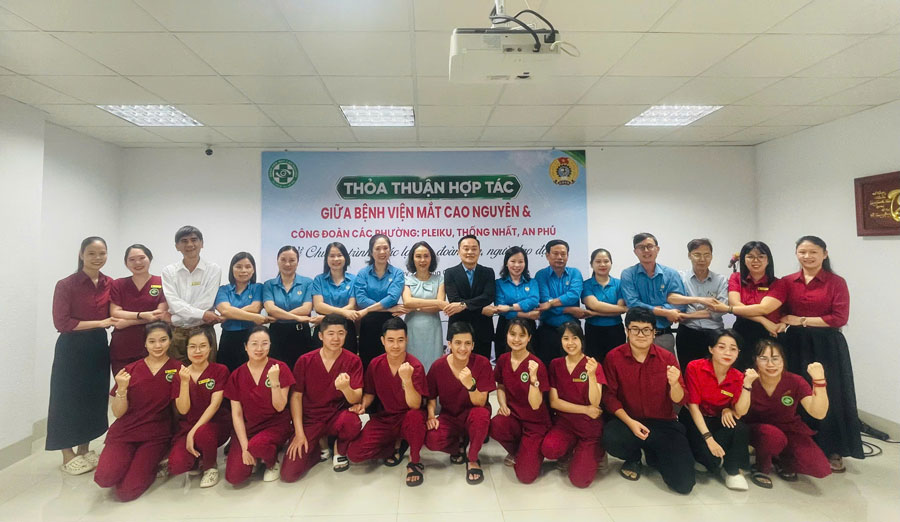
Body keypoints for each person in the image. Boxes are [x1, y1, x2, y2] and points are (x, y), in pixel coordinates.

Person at [778, 235, 863, 472]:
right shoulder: (787, 281)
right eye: (802, 252)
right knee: (794, 393)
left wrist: (802, 320)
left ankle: (832, 448)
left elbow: (839, 318)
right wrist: (783, 321)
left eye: (813, 252)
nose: (807, 256)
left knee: (829, 394)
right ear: (796, 254)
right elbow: (780, 311)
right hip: (794, 344)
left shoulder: (836, 282)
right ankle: (795, 446)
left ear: (824, 254)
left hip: (827, 346)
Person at [602, 307, 695, 494]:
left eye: (646, 330)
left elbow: (681, 398)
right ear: (627, 331)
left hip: (663, 423)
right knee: (611, 436)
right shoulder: (614, 357)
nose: (640, 334)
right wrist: (631, 422)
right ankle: (634, 456)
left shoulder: (667, 357)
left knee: (684, 484)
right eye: (635, 329)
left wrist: (675, 383)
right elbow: (609, 397)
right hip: (629, 422)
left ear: (654, 332)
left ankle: (653, 453)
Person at [47, 236, 117, 475]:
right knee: (66, 399)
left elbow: (117, 313)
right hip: (72, 347)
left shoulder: (110, 283)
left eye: (102, 253)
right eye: (92, 253)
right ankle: (67, 454)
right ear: (81, 254)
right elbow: (62, 322)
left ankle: (85, 449)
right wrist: (102, 322)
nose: (97, 258)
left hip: (98, 345)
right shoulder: (66, 284)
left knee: (94, 398)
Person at [94, 322, 181, 501]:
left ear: (170, 341)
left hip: (155, 435)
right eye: (152, 341)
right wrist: (122, 389)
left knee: (127, 492)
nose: (158, 346)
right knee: (104, 478)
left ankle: (154, 461)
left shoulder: (177, 369)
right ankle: (129, 461)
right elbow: (118, 413)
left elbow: (182, 409)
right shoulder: (129, 371)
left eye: (163, 340)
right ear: (145, 344)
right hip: (126, 432)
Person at [346, 317, 428, 487]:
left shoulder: (415, 366)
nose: (396, 345)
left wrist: (407, 380)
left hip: (408, 417)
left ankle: (414, 462)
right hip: (385, 418)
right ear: (383, 341)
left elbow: (415, 405)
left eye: (400, 340)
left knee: (415, 417)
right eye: (390, 340)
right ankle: (395, 444)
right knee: (354, 453)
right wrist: (363, 405)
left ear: (407, 340)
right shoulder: (375, 364)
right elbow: (370, 393)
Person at [281, 314, 363, 482]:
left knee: (352, 422)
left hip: (336, 416)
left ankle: (339, 449)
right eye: (330, 333)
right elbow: (296, 397)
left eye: (341, 333)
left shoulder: (353, 360)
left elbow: (356, 397)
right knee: (289, 474)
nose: (336, 338)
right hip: (311, 419)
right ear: (320, 336)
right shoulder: (305, 361)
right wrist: (299, 432)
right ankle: (319, 448)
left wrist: (346, 388)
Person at [744, 339, 830, 487]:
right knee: (772, 436)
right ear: (755, 360)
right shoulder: (748, 379)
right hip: (757, 428)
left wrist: (819, 381)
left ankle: (781, 460)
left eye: (775, 358)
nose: (770, 364)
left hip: (789, 428)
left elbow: (818, 413)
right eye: (763, 359)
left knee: (819, 467)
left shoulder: (795, 381)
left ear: (783, 359)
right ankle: (761, 467)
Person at [683, 329, 756, 491]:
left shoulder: (738, 376)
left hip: (718, 419)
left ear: (738, 352)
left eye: (733, 349)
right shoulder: (695, 367)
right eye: (721, 347)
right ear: (711, 349)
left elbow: (741, 412)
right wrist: (709, 439)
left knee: (740, 428)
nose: (727, 353)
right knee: (708, 459)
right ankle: (712, 460)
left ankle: (733, 470)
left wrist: (747, 385)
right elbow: (693, 405)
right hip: (695, 418)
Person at [425, 321, 495, 485]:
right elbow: (430, 397)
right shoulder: (438, 366)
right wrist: (430, 416)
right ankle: (459, 445)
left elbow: (481, 402)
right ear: (449, 344)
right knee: (431, 439)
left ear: (473, 345)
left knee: (481, 415)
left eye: (467, 343)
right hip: (450, 416)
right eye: (458, 343)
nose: (463, 348)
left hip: (474, 414)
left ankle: (472, 458)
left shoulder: (482, 363)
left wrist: (470, 385)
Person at [224, 326, 295, 485]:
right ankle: (256, 452)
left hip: (275, 426)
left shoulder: (280, 368)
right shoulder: (236, 375)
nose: (259, 348)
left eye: (264, 343)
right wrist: (244, 447)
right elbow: (237, 414)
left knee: (258, 446)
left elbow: (279, 407)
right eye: (254, 343)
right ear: (245, 346)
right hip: (249, 429)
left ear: (270, 345)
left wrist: (275, 381)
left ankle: (271, 462)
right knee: (235, 477)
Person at [540, 322, 605, 488]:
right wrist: (585, 409)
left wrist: (591, 375)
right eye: (565, 338)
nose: (570, 343)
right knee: (549, 449)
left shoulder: (593, 365)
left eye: (574, 338)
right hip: (565, 423)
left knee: (580, 480)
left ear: (582, 340)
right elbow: (554, 402)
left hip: (588, 426)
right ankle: (571, 449)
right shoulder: (555, 364)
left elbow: (595, 403)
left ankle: (596, 451)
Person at [167, 327, 231, 488]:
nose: (197, 351)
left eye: (202, 346)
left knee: (203, 434)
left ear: (210, 348)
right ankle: (198, 458)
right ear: (186, 349)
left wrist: (193, 432)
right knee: (177, 465)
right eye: (192, 346)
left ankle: (210, 467)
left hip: (215, 425)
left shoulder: (220, 370)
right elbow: (183, 410)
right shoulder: (180, 374)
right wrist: (184, 382)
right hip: (186, 426)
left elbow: (215, 405)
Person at [707, 241, 786, 371]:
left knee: (768, 372)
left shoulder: (778, 283)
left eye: (761, 256)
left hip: (770, 334)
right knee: (741, 373)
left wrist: (729, 309)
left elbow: (764, 308)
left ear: (768, 260)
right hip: (742, 331)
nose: (756, 260)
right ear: (743, 259)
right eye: (750, 256)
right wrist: (763, 320)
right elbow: (735, 304)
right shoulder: (736, 278)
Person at [489, 318, 550, 484]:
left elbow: (536, 404)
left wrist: (533, 379)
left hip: (535, 424)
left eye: (521, 335)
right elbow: (500, 385)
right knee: (496, 424)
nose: (516, 339)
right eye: (512, 334)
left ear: (529, 338)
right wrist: (502, 405)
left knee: (526, 476)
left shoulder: (536, 364)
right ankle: (519, 451)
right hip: (514, 417)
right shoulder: (502, 360)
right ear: (506, 335)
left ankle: (532, 451)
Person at [161, 226, 222, 364]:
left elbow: (206, 303)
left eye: (194, 240)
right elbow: (174, 303)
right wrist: (202, 314)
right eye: (184, 241)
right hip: (177, 333)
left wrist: (174, 318)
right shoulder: (168, 271)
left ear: (202, 243)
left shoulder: (213, 270)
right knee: (177, 377)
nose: (189, 244)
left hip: (203, 332)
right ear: (177, 246)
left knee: (205, 378)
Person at [669, 239, 729, 372]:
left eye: (707, 254)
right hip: (688, 333)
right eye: (697, 254)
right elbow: (672, 299)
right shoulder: (680, 277)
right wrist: (702, 300)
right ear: (689, 255)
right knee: (688, 373)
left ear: (711, 256)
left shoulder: (721, 280)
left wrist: (687, 315)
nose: (702, 259)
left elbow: (719, 310)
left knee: (716, 373)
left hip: (714, 334)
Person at [619, 233, 685, 352]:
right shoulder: (628, 274)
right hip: (637, 337)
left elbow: (680, 304)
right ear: (635, 251)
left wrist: (655, 310)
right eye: (641, 247)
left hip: (663, 336)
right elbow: (633, 304)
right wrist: (664, 312)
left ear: (657, 249)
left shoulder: (671, 274)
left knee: (667, 370)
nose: (646, 250)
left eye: (650, 246)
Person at [109, 244, 168, 374]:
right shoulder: (118, 284)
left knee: (151, 388)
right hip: (123, 345)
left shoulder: (161, 282)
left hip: (154, 345)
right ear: (126, 263)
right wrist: (144, 315)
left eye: (142, 258)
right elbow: (115, 312)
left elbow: (159, 315)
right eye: (132, 259)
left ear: (150, 259)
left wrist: (128, 322)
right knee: (123, 388)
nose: (137, 262)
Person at [353, 234, 406, 369]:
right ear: (371, 252)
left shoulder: (397, 273)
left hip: (390, 325)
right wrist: (388, 308)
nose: (382, 252)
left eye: (385, 248)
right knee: (369, 364)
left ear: (390, 250)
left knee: (391, 365)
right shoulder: (362, 274)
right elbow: (361, 300)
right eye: (377, 249)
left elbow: (392, 298)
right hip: (368, 324)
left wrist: (368, 309)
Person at [263, 245, 320, 371]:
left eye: (292, 260)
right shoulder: (269, 285)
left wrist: (280, 315)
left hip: (300, 334)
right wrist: (296, 317)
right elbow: (271, 309)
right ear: (277, 260)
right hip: (276, 334)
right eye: (283, 259)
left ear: (297, 262)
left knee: (301, 372)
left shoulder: (307, 282)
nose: (287, 264)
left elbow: (306, 309)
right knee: (277, 372)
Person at [444, 235, 496, 360]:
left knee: (482, 369)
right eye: (466, 248)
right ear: (458, 251)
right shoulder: (450, 273)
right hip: (458, 330)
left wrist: (463, 306)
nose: (470, 252)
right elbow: (454, 299)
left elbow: (488, 297)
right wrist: (481, 309)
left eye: (474, 249)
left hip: (483, 331)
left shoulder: (488, 272)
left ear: (479, 251)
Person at [534, 239, 584, 366]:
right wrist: (569, 310)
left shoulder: (575, 273)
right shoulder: (541, 275)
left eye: (563, 254)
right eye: (555, 253)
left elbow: (573, 296)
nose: (560, 257)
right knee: (547, 367)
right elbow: (544, 300)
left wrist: (551, 303)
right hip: (548, 330)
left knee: (574, 367)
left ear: (568, 255)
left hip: (572, 330)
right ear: (547, 255)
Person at [215, 252, 268, 372]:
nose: (243, 270)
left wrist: (229, 315)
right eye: (238, 266)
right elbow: (225, 310)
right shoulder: (223, 289)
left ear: (253, 270)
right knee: (227, 373)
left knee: (250, 374)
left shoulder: (258, 287)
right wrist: (251, 316)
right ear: (232, 269)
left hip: (251, 337)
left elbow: (255, 308)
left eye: (248, 267)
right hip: (228, 338)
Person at [484, 246, 540, 358]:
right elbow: (501, 308)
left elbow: (533, 301)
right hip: (505, 325)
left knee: (529, 360)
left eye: (521, 262)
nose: (517, 265)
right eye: (513, 261)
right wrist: (528, 314)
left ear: (525, 263)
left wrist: (510, 308)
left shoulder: (532, 282)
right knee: (504, 361)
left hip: (528, 326)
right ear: (506, 263)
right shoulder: (499, 283)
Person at [402, 241, 446, 372]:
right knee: (412, 367)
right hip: (412, 328)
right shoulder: (406, 279)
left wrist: (417, 306)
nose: (422, 260)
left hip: (433, 328)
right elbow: (407, 302)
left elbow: (440, 306)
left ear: (431, 258)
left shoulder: (440, 279)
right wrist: (436, 302)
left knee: (433, 366)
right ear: (412, 259)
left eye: (426, 256)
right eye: (418, 256)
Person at [311, 242, 358, 354]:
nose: (336, 259)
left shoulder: (354, 280)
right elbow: (319, 306)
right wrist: (344, 313)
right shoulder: (319, 280)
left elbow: (352, 306)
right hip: (324, 328)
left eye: (339, 255)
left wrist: (326, 316)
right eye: (332, 256)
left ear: (345, 257)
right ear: (326, 259)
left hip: (346, 329)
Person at [580, 248, 627, 362]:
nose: (602, 264)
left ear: (611, 263)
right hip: (593, 331)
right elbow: (594, 304)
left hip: (616, 330)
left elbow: (620, 309)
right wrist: (623, 309)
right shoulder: (586, 284)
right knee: (595, 365)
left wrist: (594, 313)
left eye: (606, 261)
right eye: (598, 261)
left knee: (617, 363)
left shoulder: (619, 283)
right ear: (592, 264)